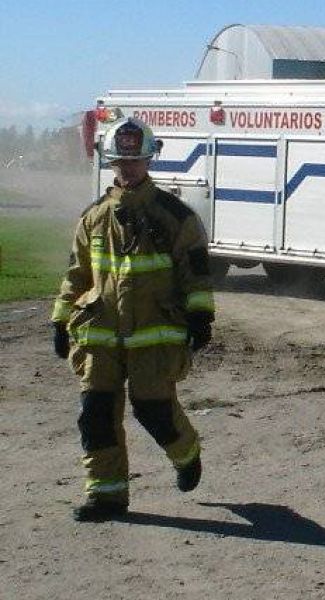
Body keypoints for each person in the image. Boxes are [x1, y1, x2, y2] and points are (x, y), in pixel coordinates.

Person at [50, 117, 215, 522]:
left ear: (150, 159)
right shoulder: (93, 218)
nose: (128, 168)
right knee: (96, 414)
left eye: (136, 160)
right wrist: (60, 317)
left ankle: (186, 453)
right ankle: (106, 496)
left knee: (153, 409)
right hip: (101, 333)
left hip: (152, 334)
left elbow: (194, 273)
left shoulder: (176, 217)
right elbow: (77, 274)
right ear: (110, 162)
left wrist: (200, 315)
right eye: (121, 162)